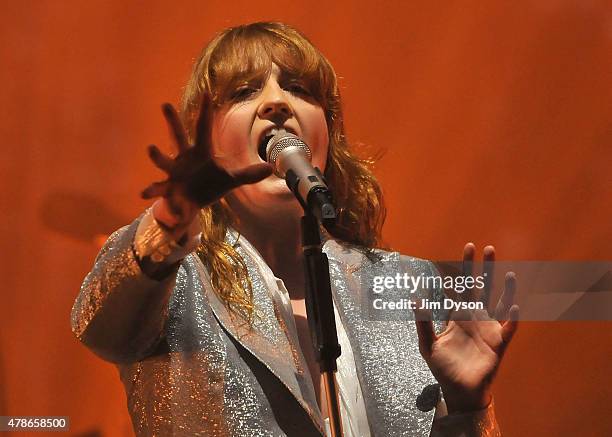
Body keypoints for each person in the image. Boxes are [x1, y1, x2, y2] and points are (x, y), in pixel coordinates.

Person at [71, 22, 519, 436]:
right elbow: (101, 328)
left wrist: (468, 407)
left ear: (328, 130)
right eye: (245, 91)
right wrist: (169, 222)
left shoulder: (407, 290)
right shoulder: (173, 275)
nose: (276, 103)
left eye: (299, 89)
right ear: (205, 139)